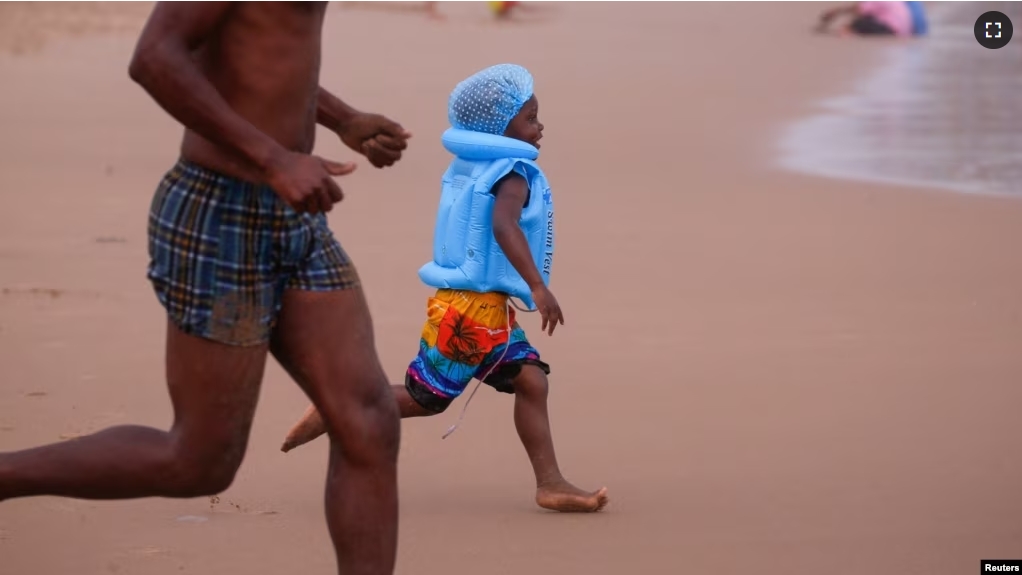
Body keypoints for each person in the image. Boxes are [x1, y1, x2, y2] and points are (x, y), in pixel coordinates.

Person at [0, 3, 410, 574]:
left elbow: (257, 49)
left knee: (368, 421)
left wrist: (339, 117)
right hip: (220, 216)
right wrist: (272, 158)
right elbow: (155, 56)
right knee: (199, 462)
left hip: (296, 215)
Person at [281, 64, 609, 514]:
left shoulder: (474, 162)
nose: (540, 126)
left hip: (486, 310)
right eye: (530, 117)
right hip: (469, 315)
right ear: (501, 127)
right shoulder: (511, 171)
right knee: (427, 397)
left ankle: (549, 483)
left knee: (531, 381)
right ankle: (339, 405)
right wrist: (537, 285)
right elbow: (504, 225)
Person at [816, 1, 914, 37]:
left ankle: (846, 33)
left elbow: (858, 9)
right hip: (903, 31)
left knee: (858, 22)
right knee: (865, 18)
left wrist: (836, 12)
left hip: (890, 29)